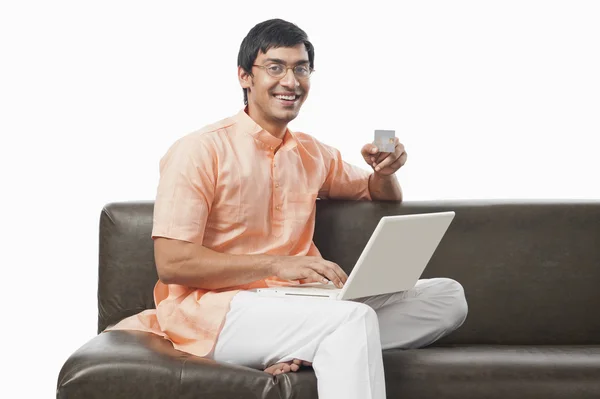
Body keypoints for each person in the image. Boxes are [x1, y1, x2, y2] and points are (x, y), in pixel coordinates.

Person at [107, 18, 468, 399]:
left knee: (448, 296)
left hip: (301, 304)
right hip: (218, 310)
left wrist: (384, 171)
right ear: (245, 77)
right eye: (275, 67)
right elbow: (173, 264)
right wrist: (279, 264)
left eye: (301, 69)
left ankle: (310, 344)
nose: (291, 81)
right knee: (351, 319)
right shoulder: (199, 150)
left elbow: (376, 193)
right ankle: (322, 339)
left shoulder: (311, 152)